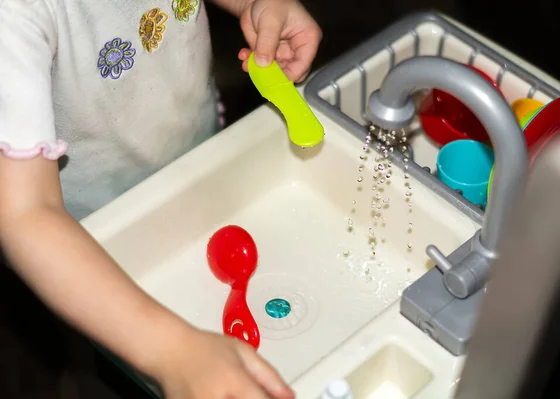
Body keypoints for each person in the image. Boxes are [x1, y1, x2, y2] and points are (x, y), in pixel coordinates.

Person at [0, 0, 321, 397]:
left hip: (191, 157)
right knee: (99, 365)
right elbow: (25, 213)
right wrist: (171, 352)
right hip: (92, 246)